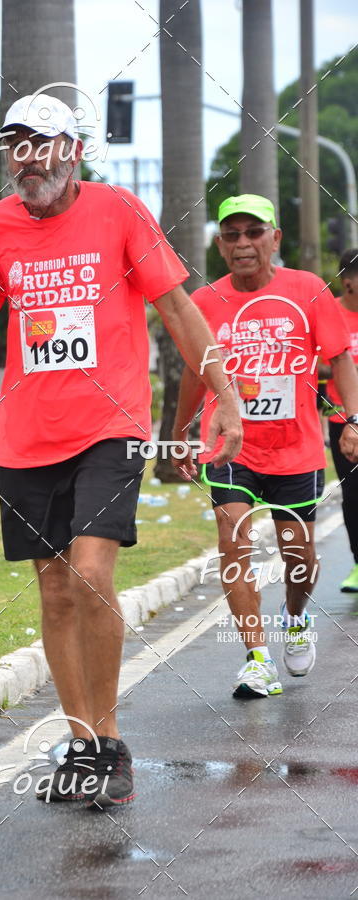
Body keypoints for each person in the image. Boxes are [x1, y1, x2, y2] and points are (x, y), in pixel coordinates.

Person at [0, 93, 241, 807]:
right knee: (54, 587)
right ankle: (82, 745)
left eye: (42, 145)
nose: (29, 160)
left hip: (111, 424)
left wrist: (224, 394)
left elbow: (177, 308)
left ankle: (110, 740)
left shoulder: (118, 211)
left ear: (72, 152)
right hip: (27, 435)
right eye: (17, 146)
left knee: (92, 572)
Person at [173, 194, 358, 699]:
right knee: (233, 540)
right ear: (219, 244)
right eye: (232, 235)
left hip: (296, 448)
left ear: (274, 239)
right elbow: (193, 371)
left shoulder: (308, 290)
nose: (243, 243)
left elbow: (341, 358)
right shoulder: (204, 301)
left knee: (299, 555)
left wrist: (352, 419)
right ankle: (257, 659)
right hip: (231, 449)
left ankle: (295, 616)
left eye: (254, 232)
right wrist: (182, 432)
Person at [319, 248, 358, 591]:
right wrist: (342, 368)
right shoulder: (328, 312)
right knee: (354, 494)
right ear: (348, 282)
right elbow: (311, 359)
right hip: (343, 421)